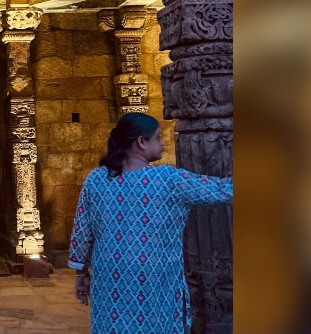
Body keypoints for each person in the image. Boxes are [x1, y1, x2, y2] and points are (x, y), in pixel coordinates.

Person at [69, 113, 232, 334]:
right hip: (154, 277)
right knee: (154, 325)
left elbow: (81, 230)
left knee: (112, 325)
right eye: (158, 137)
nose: (163, 143)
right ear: (141, 142)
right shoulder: (168, 180)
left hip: (109, 276)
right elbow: (222, 190)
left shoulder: (96, 179)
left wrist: (81, 275)